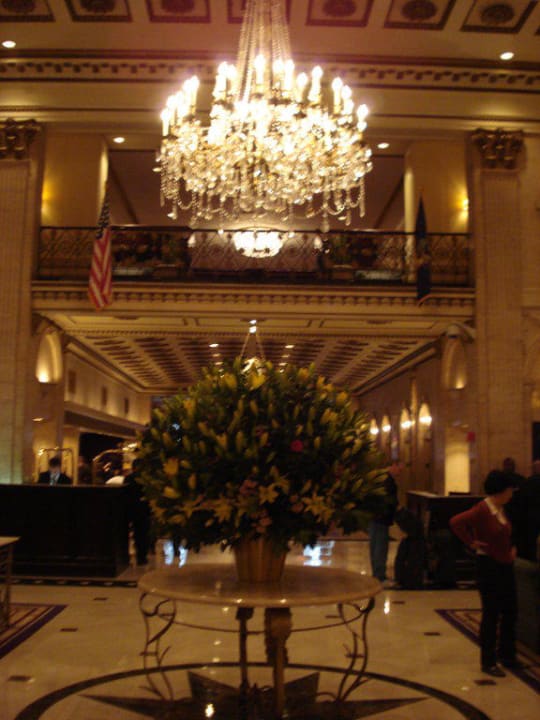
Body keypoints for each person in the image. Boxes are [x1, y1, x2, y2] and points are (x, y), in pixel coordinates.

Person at [450, 470, 520, 677]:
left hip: (505, 564)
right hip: (489, 566)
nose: (512, 494)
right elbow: (456, 522)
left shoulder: (501, 509)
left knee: (510, 610)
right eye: (510, 490)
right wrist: (471, 542)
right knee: (491, 613)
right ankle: (488, 661)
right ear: (502, 490)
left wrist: (511, 549)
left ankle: (507, 655)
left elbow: (505, 535)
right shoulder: (482, 509)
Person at [368, 461, 401, 584]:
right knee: (380, 547)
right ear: (393, 465)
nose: (399, 473)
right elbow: (389, 500)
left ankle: (377, 573)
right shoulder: (388, 481)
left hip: (375, 516)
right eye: (399, 469)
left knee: (375, 545)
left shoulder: (381, 478)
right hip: (381, 517)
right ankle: (379, 575)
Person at [124, 459, 151, 566]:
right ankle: (141, 557)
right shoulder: (146, 479)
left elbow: (124, 494)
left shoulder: (128, 478)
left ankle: (126, 557)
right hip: (143, 509)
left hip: (130, 509)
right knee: (142, 533)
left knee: (130, 533)